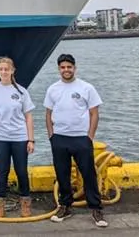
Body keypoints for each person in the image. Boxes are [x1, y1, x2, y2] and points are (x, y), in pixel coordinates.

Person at [45, 53, 108, 227]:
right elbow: (48, 113)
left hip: (81, 138)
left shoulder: (86, 88)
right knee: (62, 174)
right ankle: (65, 206)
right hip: (60, 138)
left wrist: (90, 136)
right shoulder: (53, 89)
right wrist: (52, 135)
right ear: (59, 69)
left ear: (74, 68)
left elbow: (94, 113)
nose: (66, 70)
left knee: (88, 173)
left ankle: (96, 208)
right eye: (63, 67)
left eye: (69, 67)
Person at [0, 57, 35, 218]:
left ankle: (25, 204)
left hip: (19, 137)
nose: (4, 72)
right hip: (0, 137)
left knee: (21, 171)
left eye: (7, 69)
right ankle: (0, 205)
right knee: (3, 171)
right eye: (1, 69)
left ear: (12, 71)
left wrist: (31, 139)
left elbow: (28, 116)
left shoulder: (21, 91)